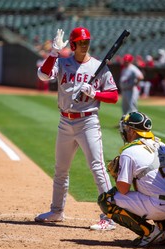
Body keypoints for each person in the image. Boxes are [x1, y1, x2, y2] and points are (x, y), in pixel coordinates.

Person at [35, 27, 119, 230]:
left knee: (98, 168)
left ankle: (109, 217)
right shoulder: (63, 62)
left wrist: (95, 94)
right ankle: (57, 211)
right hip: (65, 122)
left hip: (88, 122)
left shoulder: (99, 67)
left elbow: (114, 96)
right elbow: (44, 75)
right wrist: (54, 53)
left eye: (86, 42)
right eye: (80, 42)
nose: (84, 46)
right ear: (72, 45)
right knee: (60, 170)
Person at [98, 111, 165, 247]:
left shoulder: (129, 152)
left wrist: (117, 176)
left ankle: (150, 233)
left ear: (132, 131)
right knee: (152, 187)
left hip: (158, 207)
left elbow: (123, 190)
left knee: (106, 200)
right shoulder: (162, 146)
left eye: (126, 128)